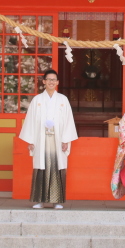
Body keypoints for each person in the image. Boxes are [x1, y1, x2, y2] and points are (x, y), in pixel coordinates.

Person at [18, 69, 78, 209]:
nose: (51, 82)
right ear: (44, 81)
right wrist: (31, 141)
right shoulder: (37, 100)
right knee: (41, 167)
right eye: (48, 79)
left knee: (57, 167)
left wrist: (66, 140)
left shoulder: (63, 100)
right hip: (41, 138)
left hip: (58, 139)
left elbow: (69, 121)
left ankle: (57, 200)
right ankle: (40, 200)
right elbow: (31, 121)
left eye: (54, 79)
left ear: (57, 82)